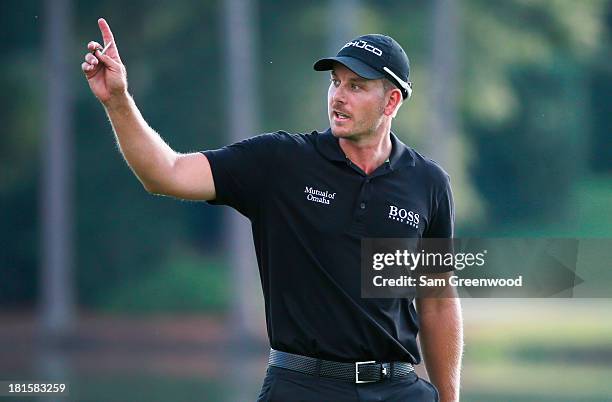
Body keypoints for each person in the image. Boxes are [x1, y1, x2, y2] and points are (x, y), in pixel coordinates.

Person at [82, 18, 462, 402]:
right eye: (335, 82)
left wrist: (448, 400)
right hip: (302, 387)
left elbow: (437, 302)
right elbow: (167, 173)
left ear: (391, 101)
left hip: (399, 389)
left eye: (356, 87)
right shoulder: (281, 161)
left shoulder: (427, 183)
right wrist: (118, 100)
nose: (338, 97)